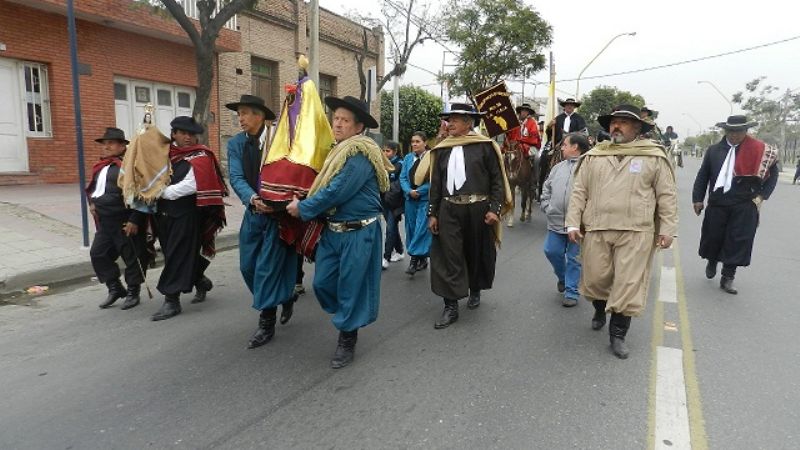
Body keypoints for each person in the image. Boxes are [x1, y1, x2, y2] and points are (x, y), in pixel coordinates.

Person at [566, 104, 677, 359]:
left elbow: (666, 195)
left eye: (624, 122)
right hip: (597, 227)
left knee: (628, 284)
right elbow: (579, 191)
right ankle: (599, 306)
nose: (617, 126)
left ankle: (618, 334)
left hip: (637, 231)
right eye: (614, 122)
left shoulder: (654, 156)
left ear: (637, 128)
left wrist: (668, 228)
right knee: (595, 279)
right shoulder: (595, 155)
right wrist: (573, 222)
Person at [287, 96, 389, 369]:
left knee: (351, 287)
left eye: (345, 120)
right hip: (333, 231)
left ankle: (347, 337)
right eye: (336, 118)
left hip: (359, 233)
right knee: (322, 284)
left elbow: (337, 190)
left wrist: (304, 207)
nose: (338, 124)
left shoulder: (361, 153)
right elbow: (324, 186)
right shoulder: (336, 151)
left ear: (358, 128)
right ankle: (347, 315)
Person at [423, 103, 512, 329]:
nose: (449, 123)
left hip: (479, 209)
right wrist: (432, 213)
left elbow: (497, 180)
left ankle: (475, 288)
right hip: (448, 209)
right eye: (448, 119)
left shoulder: (485, 146)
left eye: (455, 119)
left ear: (469, 123)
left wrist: (494, 209)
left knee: (476, 252)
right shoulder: (441, 149)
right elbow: (436, 183)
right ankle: (450, 306)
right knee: (448, 255)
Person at [226, 94, 300, 348]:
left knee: (267, 268)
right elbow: (235, 176)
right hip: (254, 213)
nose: (241, 118)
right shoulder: (236, 144)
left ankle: (266, 321)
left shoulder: (281, 140)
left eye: (245, 113)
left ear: (259, 115)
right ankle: (285, 295)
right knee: (248, 267)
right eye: (239, 114)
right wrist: (252, 198)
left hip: (277, 218)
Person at [692, 115, 778, 294]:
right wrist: (698, 199)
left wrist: (762, 196)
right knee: (713, 237)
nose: (734, 135)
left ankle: (728, 276)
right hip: (718, 202)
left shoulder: (759, 150)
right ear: (726, 131)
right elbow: (703, 175)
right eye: (731, 131)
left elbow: (773, 175)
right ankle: (712, 260)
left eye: (739, 131)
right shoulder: (714, 150)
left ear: (746, 131)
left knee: (738, 240)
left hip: (745, 203)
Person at [151, 116, 227, 321]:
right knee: (173, 253)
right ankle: (200, 280)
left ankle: (171, 300)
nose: (188, 137)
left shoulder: (201, 155)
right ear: (173, 134)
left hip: (187, 214)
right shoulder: (165, 154)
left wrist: (160, 192)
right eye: (183, 133)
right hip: (164, 214)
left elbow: (192, 185)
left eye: (191, 134)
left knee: (176, 255)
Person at [87, 127, 149, 310]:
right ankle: (115, 288)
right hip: (105, 222)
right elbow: (94, 189)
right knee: (98, 253)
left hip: (124, 219)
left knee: (132, 258)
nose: (106, 147)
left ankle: (133, 292)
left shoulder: (129, 166)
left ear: (122, 146)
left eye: (111, 143)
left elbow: (142, 194)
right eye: (104, 144)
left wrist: (135, 219)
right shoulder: (101, 166)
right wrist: (92, 203)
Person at [540, 132, 590, 307]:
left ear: (575, 147)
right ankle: (563, 277)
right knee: (551, 251)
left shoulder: (590, 167)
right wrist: (547, 206)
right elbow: (546, 188)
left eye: (564, 145)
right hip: (555, 221)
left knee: (574, 258)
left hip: (577, 225)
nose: (561, 148)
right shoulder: (557, 167)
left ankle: (571, 291)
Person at [399, 131, 433, 276]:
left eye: (417, 141)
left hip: (424, 199)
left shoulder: (432, 158)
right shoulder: (408, 158)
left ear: (425, 143)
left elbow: (434, 180)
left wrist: (420, 191)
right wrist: (408, 191)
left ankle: (413, 260)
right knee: (411, 229)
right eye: (413, 141)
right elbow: (402, 178)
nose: (414, 144)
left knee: (421, 228)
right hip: (410, 200)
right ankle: (422, 258)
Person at [542, 98, 587, 197]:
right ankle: (543, 183)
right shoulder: (558, 118)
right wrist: (550, 127)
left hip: (575, 144)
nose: (569, 106)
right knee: (543, 157)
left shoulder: (579, 119)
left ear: (574, 107)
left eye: (571, 105)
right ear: (564, 106)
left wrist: (572, 137)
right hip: (559, 144)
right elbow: (549, 134)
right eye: (567, 105)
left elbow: (583, 133)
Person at [381, 140, 405, 269]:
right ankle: (400, 251)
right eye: (383, 150)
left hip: (394, 203)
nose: (385, 153)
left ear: (395, 152)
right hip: (384, 201)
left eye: (388, 151)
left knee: (390, 229)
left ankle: (386, 257)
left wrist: (388, 194)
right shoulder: (383, 163)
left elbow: (398, 185)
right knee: (393, 228)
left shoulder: (399, 165)